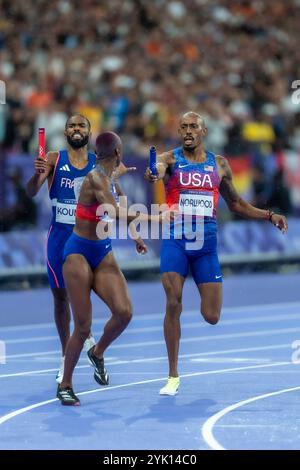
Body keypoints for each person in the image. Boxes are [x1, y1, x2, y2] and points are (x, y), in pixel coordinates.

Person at [145, 111, 288, 396]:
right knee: (173, 303)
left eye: (193, 127)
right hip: (175, 241)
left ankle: (199, 314)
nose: (187, 131)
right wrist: (154, 172)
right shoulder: (170, 159)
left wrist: (268, 215)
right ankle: (172, 375)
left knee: (212, 315)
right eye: (183, 126)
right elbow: (157, 169)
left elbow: (236, 204)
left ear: (204, 131)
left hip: (206, 247)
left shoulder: (219, 164)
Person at [26, 115, 135, 383]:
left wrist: (135, 233)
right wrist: (38, 175)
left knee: (95, 307)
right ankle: (67, 356)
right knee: (61, 298)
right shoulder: (53, 158)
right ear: (65, 132)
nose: (77, 129)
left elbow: (119, 197)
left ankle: (91, 345)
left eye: (81, 126)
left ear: (89, 131)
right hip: (61, 237)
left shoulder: (99, 165)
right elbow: (30, 192)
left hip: (90, 240)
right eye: (72, 126)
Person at [57, 131, 152, 405]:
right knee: (83, 326)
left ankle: (97, 353)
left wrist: (135, 235)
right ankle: (65, 384)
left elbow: (121, 207)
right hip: (78, 254)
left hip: (103, 252)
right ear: (119, 153)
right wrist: (156, 216)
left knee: (124, 312)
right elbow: (115, 211)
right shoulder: (96, 178)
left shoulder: (110, 179)